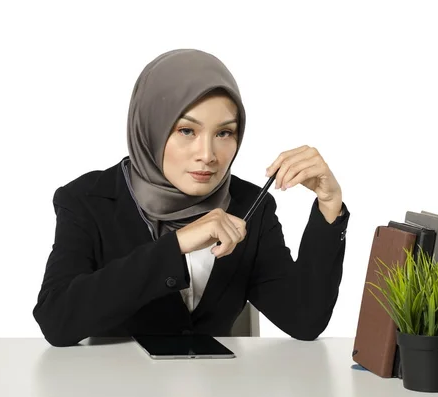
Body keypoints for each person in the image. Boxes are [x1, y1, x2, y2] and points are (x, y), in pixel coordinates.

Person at [32, 49, 350, 347]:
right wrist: (178, 243)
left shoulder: (250, 205)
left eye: (224, 133)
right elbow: (57, 320)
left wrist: (329, 203)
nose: (208, 155)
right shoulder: (89, 200)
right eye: (187, 131)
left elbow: (304, 320)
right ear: (151, 128)